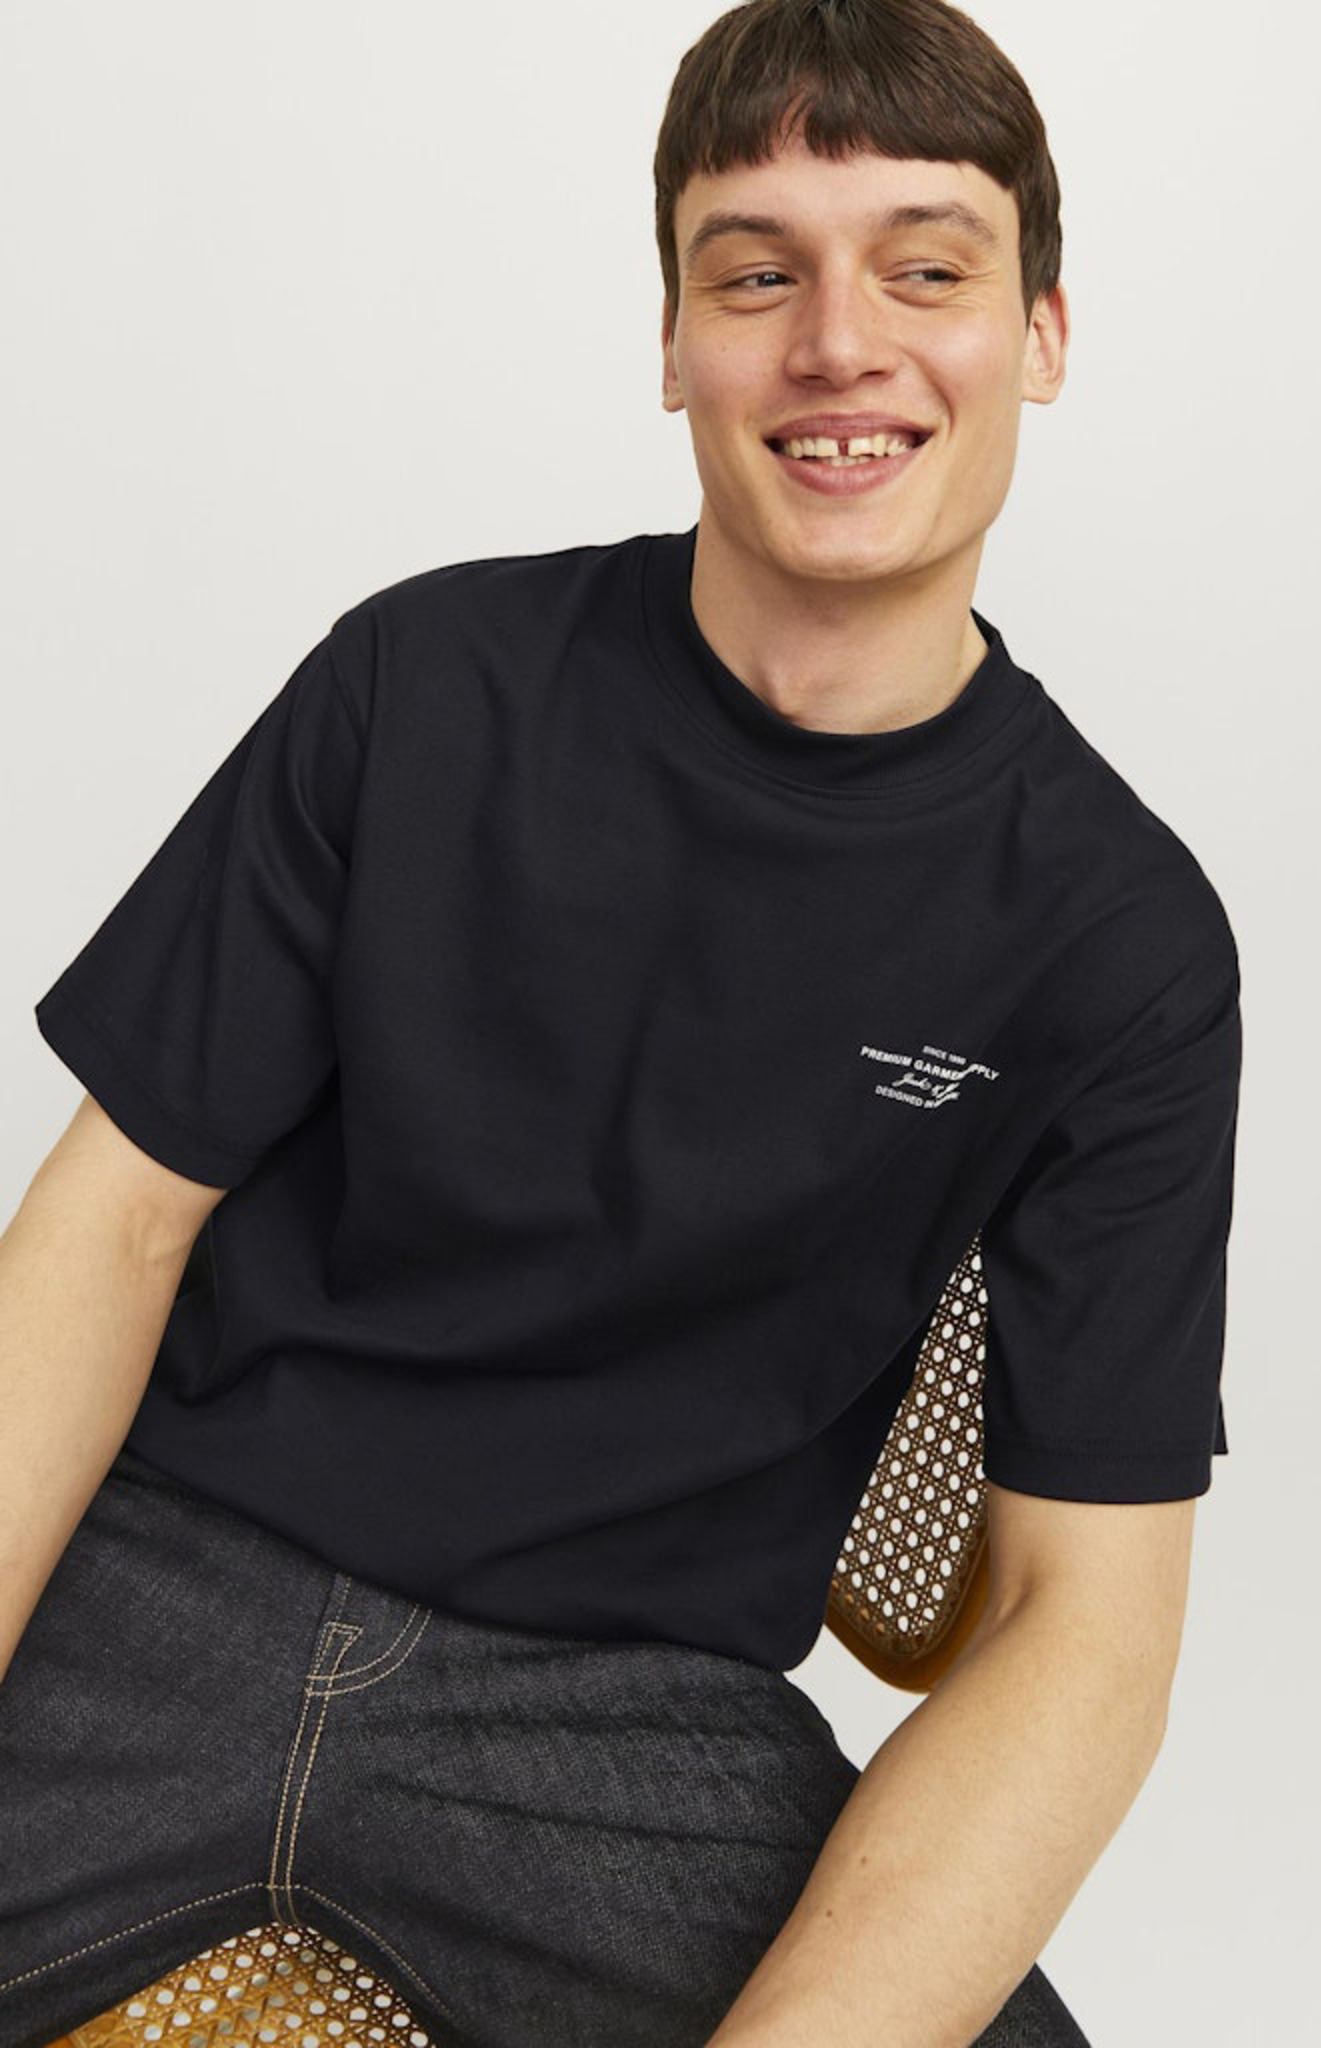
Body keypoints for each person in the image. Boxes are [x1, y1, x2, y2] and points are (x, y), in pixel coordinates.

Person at [0, 2, 1242, 2043]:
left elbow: (1078, 1626)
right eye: (756, 276)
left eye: (926, 269)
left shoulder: (1118, 940)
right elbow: (106, 1231)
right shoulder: (417, 684)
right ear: (674, 341)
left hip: (622, 1732)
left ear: (1041, 333)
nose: (838, 343)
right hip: (171, 1588)